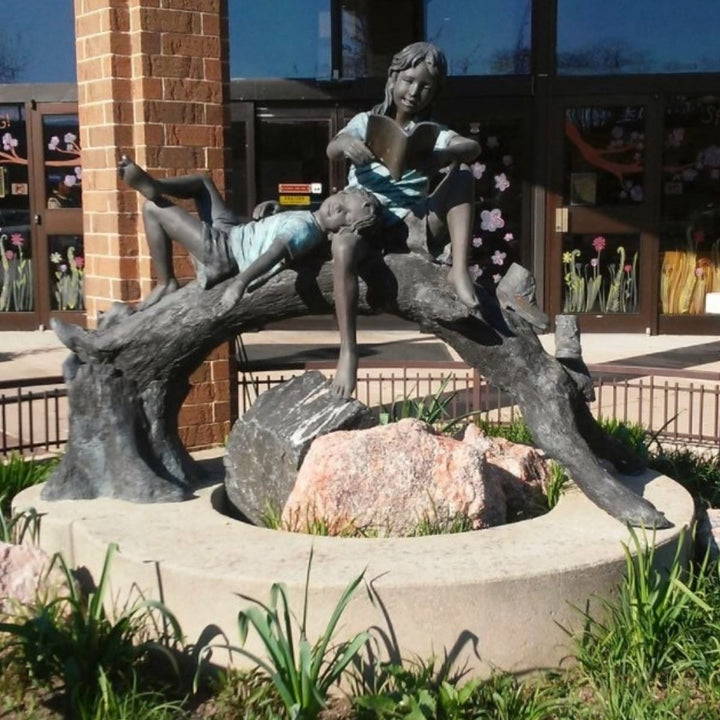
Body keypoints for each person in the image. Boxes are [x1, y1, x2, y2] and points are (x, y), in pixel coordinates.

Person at [52, 157, 381, 398]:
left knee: (153, 209)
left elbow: (273, 255)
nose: (334, 208)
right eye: (338, 201)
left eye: (342, 214)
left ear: (344, 229)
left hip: (224, 254)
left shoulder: (306, 230)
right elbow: (267, 234)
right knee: (204, 182)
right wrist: (271, 212)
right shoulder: (305, 217)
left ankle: (166, 279)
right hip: (234, 232)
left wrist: (239, 283)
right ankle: (157, 185)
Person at [326, 41, 548, 328]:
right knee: (344, 246)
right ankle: (348, 352)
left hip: (413, 226)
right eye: (408, 81)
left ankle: (458, 270)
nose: (414, 92)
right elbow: (332, 149)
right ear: (393, 78)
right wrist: (348, 144)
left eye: (426, 87)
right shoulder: (365, 121)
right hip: (367, 222)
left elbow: (471, 147)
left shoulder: (433, 133)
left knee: (464, 173)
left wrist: (444, 154)